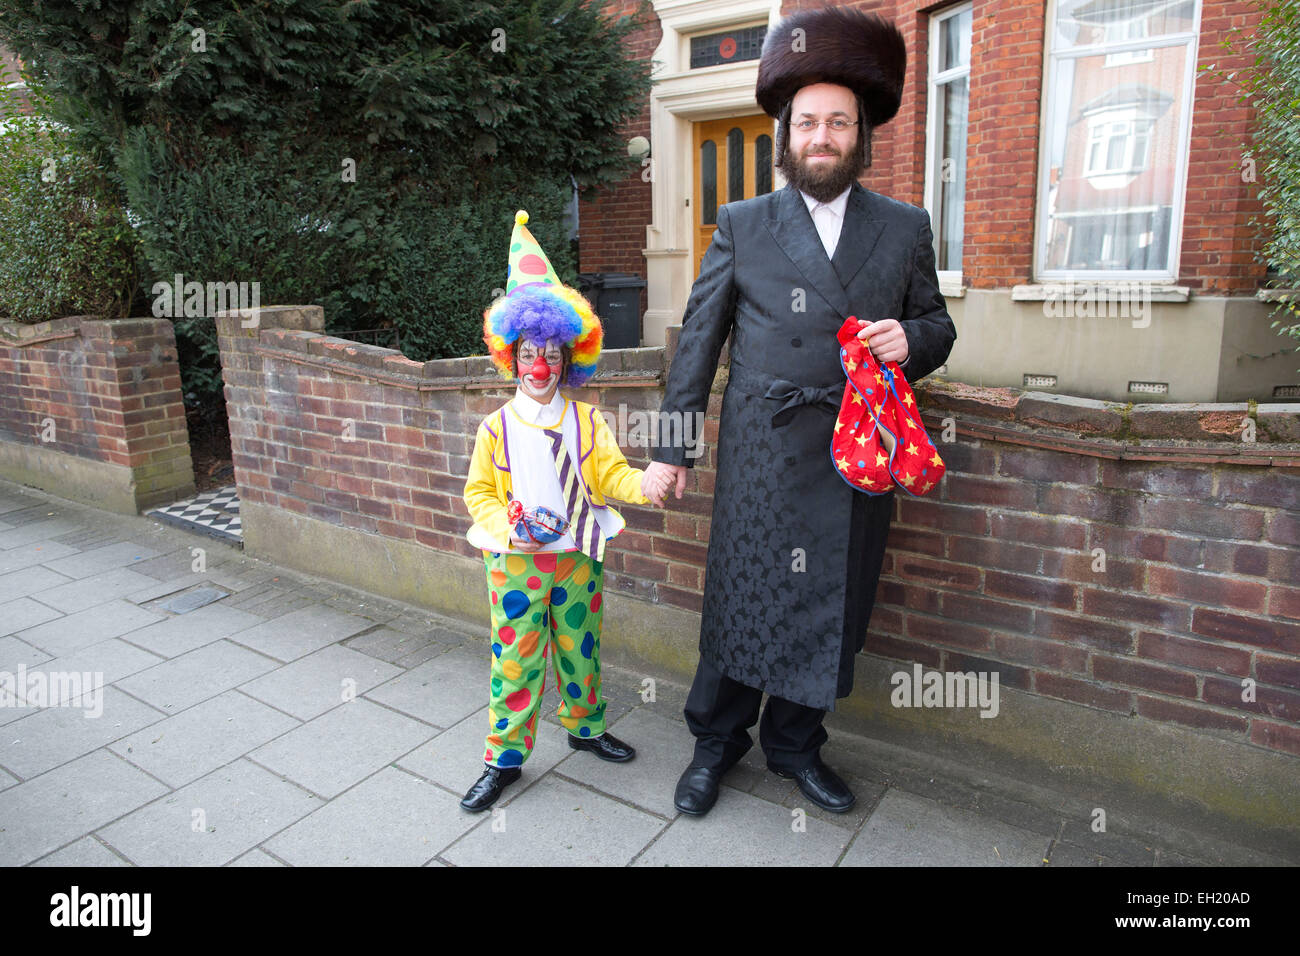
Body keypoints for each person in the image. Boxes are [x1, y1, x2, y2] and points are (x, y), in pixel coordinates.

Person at [642, 8, 957, 817]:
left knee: (831, 601)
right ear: (786, 133)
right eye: (808, 121)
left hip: (857, 455)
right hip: (763, 449)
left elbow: (938, 323)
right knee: (745, 594)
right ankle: (715, 742)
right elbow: (698, 344)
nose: (823, 135)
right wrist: (671, 448)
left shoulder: (905, 226)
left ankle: (795, 746)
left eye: (839, 122)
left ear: (861, 134)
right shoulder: (745, 224)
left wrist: (910, 338)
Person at [460, 210, 672, 812]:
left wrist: (647, 483)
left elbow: (611, 476)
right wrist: (510, 530)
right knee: (516, 661)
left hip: (578, 557)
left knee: (581, 648)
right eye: (530, 351)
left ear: (570, 357)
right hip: (516, 566)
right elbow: (478, 496)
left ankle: (585, 727)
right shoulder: (494, 428)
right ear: (511, 354)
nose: (541, 366)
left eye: (553, 353)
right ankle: (503, 759)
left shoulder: (587, 421)